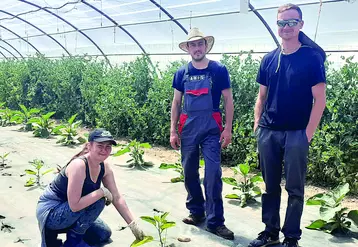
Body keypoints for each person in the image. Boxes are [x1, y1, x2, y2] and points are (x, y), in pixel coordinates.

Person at [249, 3, 326, 247]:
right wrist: (257, 124)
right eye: (282, 23)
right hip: (269, 132)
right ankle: (270, 232)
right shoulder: (269, 59)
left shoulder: (311, 58)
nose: (286, 27)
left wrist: (307, 135)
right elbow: (261, 96)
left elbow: (320, 99)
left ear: (301, 25)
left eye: (292, 22)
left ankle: (291, 237)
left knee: (295, 189)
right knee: (270, 187)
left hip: (296, 133)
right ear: (277, 25)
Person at [170, 27, 235, 240]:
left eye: (200, 44)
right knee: (189, 171)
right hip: (188, 127)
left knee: (213, 173)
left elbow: (228, 100)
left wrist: (227, 128)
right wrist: (173, 130)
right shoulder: (181, 73)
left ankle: (216, 222)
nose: (197, 48)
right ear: (188, 48)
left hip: (211, 128)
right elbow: (176, 102)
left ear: (206, 46)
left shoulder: (218, 70)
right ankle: (197, 212)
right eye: (193, 45)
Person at [36, 129, 145, 247]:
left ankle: (74, 233)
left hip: (73, 212)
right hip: (52, 213)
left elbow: (117, 198)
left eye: (108, 146)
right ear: (89, 146)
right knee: (99, 198)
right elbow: (74, 205)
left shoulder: (104, 168)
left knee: (103, 234)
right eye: (100, 145)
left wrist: (133, 225)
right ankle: (73, 241)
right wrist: (101, 192)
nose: (104, 150)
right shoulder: (79, 165)